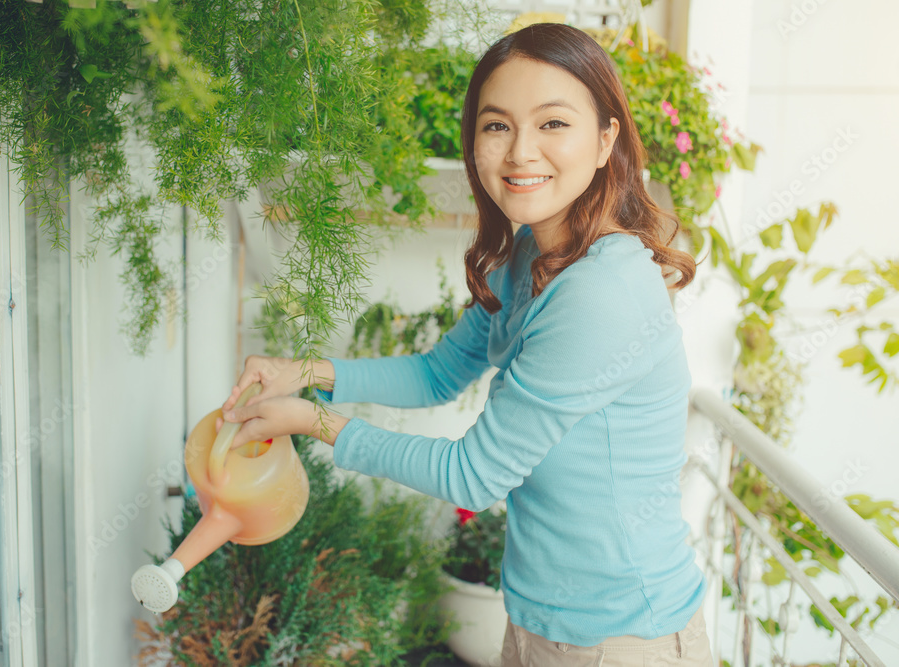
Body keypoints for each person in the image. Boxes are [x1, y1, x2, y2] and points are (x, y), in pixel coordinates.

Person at [216, 22, 712, 666]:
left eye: (554, 124)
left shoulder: (602, 293)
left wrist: (313, 421)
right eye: (497, 125)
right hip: (542, 619)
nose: (520, 153)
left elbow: (472, 477)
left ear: (604, 141)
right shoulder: (531, 251)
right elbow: (437, 374)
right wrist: (302, 371)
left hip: (623, 638)